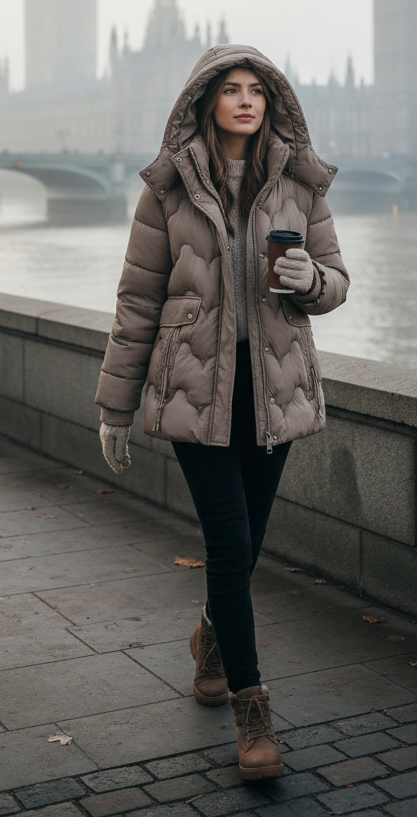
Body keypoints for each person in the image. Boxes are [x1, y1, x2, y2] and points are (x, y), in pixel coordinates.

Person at [95, 44, 349, 780]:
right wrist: (116, 406)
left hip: (273, 391)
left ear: (273, 103)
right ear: (206, 100)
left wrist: (312, 281)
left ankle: (210, 633)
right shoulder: (167, 191)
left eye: (257, 91)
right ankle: (252, 708)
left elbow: (337, 282)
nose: (245, 101)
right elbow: (138, 302)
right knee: (230, 549)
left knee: (247, 547)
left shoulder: (301, 184)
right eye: (230, 89)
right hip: (195, 393)